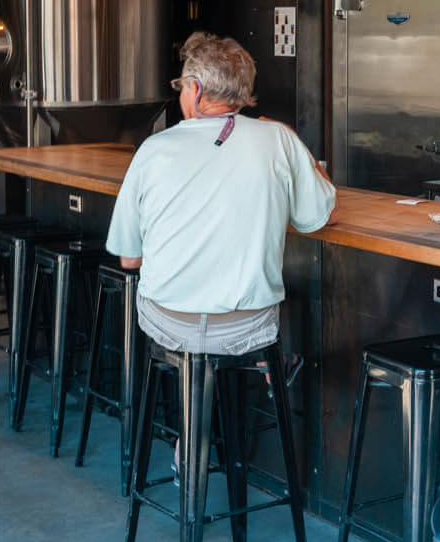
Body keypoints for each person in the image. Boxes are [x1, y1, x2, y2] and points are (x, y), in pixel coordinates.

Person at [107, 31, 335, 357]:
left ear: (195, 89)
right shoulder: (277, 139)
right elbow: (322, 216)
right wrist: (299, 148)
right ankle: (261, 386)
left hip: (167, 322)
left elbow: (130, 259)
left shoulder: (153, 150)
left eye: (181, 86)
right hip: (247, 327)